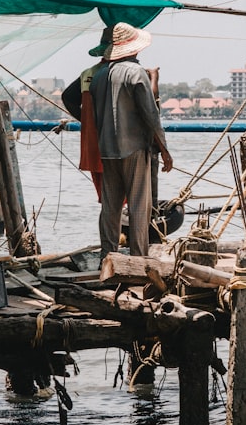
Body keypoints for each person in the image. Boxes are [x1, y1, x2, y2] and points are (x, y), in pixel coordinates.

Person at [91, 22, 173, 258]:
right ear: (134, 48)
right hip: (134, 148)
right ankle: (138, 258)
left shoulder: (100, 76)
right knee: (139, 205)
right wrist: (164, 150)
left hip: (107, 149)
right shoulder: (135, 73)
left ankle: (108, 255)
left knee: (111, 206)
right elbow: (151, 114)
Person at [60, 26, 112, 201]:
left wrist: (88, 122)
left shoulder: (88, 74)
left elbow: (68, 98)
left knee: (106, 199)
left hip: (93, 146)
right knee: (122, 200)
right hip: (116, 149)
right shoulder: (121, 73)